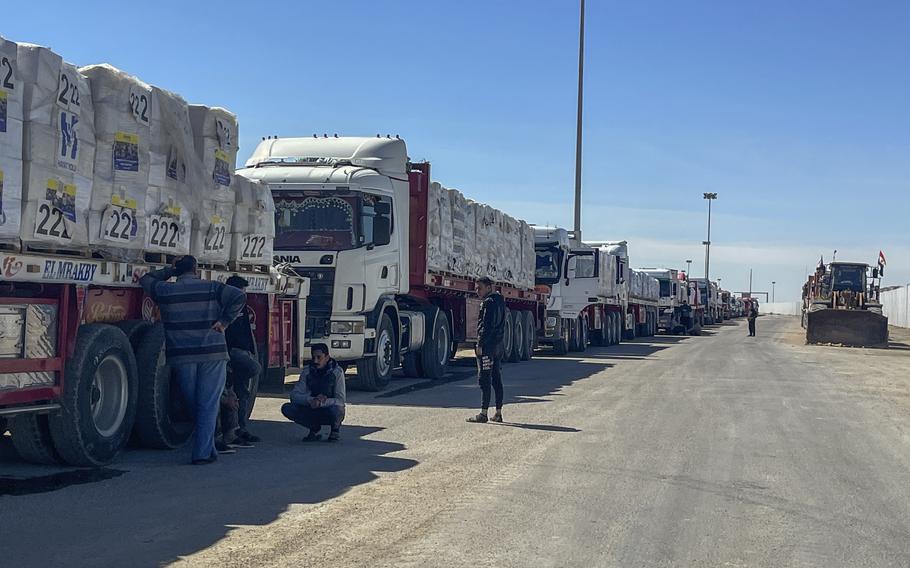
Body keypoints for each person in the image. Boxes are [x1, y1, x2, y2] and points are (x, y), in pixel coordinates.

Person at [140, 255, 246, 465]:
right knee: (207, 403)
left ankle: (208, 448)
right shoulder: (212, 287)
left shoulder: (165, 290)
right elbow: (239, 297)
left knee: (194, 402)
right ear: (196, 269)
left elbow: (145, 279)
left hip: (182, 354)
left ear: (177, 271)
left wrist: (169, 271)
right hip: (212, 352)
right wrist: (224, 322)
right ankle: (202, 452)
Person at [223, 275, 263, 445]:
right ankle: (229, 431)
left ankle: (241, 429)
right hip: (233, 353)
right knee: (254, 369)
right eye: (241, 291)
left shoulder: (242, 307)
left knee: (242, 393)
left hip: (244, 352)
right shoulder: (225, 307)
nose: (243, 295)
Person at [282, 343, 346, 442]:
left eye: (319, 357)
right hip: (311, 407)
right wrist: (311, 400)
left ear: (327, 357)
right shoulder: (307, 372)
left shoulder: (337, 372)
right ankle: (314, 427)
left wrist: (322, 402)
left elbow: (341, 401)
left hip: (328, 408)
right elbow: (294, 395)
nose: (315, 361)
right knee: (287, 408)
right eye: (313, 357)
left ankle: (335, 429)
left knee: (337, 410)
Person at [468, 276, 507, 424]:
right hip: (498, 346)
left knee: (484, 378)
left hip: (488, 347)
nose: (477, 291)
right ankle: (498, 412)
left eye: (480, 288)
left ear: (489, 287)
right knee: (496, 377)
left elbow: (486, 326)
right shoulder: (500, 301)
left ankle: (483, 413)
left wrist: (480, 344)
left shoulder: (488, 303)